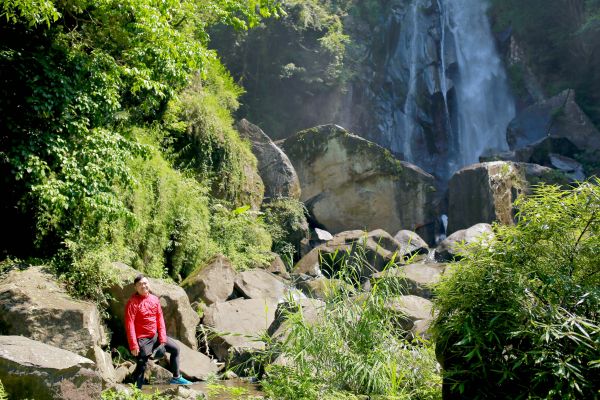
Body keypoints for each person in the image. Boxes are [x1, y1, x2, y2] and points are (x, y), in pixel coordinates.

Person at [125, 274, 192, 388]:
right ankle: (136, 393)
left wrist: (162, 338)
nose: (143, 286)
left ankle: (176, 378)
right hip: (142, 338)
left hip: (154, 335)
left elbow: (159, 319)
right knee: (142, 365)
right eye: (140, 284)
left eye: (145, 283)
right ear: (135, 287)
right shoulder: (133, 302)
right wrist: (133, 345)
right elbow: (129, 324)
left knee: (175, 349)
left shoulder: (154, 299)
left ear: (149, 284)